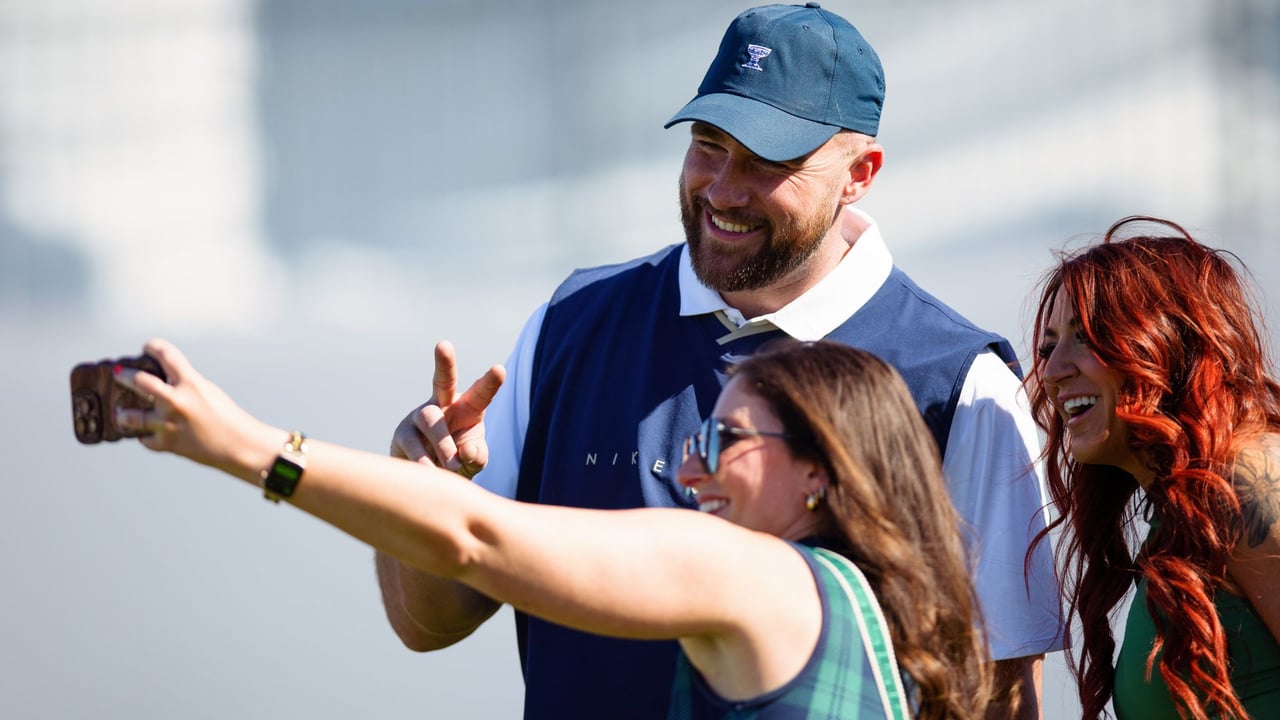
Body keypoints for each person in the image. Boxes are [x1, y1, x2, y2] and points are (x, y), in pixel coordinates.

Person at [384, 4, 1062, 719]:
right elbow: (430, 625)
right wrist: (422, 494)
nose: (723, 189)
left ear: (860, 173)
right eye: (709, 143)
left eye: (771, 161)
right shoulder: (571, 324)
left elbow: (999, 695)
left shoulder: (960, 380)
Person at [111, 337, 994, 719]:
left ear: (820, 472)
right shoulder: (873, 611)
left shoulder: (757, 575)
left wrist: (248, 447)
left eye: (725, 442)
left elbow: (476, 540)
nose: (687, 472)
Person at [1028, 215, 1280, 719]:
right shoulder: (1179, 512)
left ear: (1174, 341)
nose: (1053, 372)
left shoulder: (1252, 474)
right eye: (1049, 345)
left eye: (1088, 336)